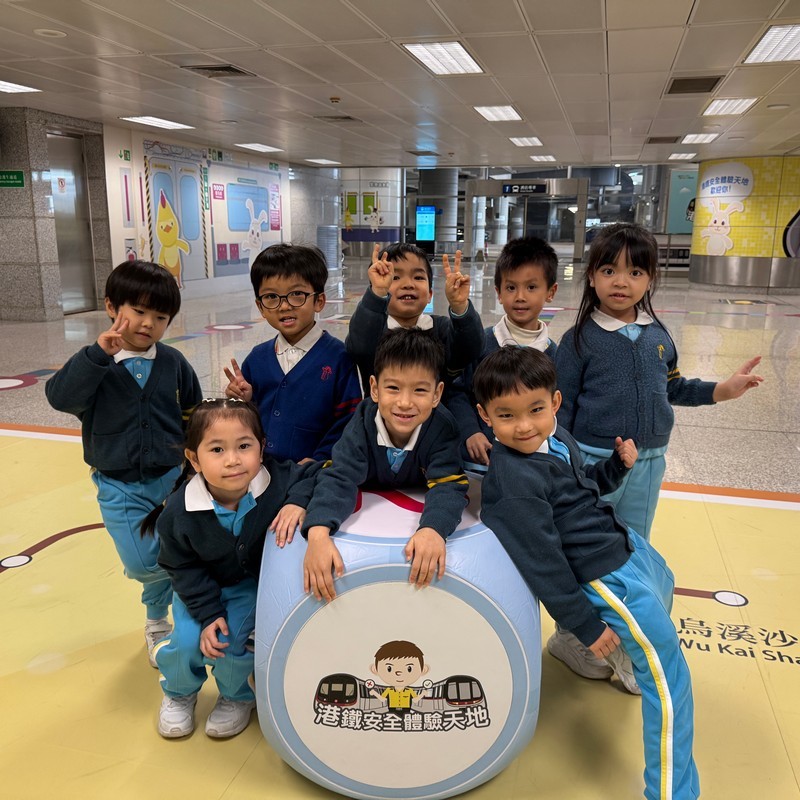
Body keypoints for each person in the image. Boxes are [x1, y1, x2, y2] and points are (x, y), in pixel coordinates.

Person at [474, 346, 699, 800]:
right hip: (604, 576)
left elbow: (580, 486)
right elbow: (544, 562)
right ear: (485, 416)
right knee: (668, 680)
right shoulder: (514, 482)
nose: (524, 426)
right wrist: (585, 624)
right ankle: (673, 792)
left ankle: (610, 652)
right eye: (506, 415)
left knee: (665, 580)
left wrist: (615, 468)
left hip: (621, 545)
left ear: (555, 403)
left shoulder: (557, 437)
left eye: (535, 410)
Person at [555, 222, 763, 542]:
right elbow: (560, 407)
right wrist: (563, 461)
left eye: (635, 272)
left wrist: (721, 391)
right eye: (609, 271)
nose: (621, 281)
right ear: (592, 277)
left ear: (650, 279)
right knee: (589, 536)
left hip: (649, 461)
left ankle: (638, 575)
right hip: (595, 460)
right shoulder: (578, 340)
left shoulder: (658, 335)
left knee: (637, 538)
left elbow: (673, 387)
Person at [45, 260, 202, 667]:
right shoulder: (95, 365)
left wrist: (195, 459)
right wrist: (97, 355)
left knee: (172, 550)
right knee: (145, 561)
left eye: (161, 317)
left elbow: (192, 411)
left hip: (172, 480)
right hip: (119, 484)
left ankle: (158, 621)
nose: (148, 323)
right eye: (139, 311)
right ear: (112, 307)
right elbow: (59, 397)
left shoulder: (173, 363)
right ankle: (189, 588)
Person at [142, 399, 320, 739]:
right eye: (217, 449)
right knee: (186, 641)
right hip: (198, 588)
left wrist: (297, 502)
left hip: (248, 587)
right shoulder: (179, 511)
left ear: (261, 448)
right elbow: (180, 565)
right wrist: (208, 612)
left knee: (233, 641)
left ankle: (237, 696)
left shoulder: (275, 480)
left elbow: (315, 473)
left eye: (244, 446)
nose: (233, 459)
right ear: (194, 459)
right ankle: (179, 693)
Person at [302, 328, 469, 602]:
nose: (405, 402)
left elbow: (449, 485)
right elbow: (340, 476)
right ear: (374, 388)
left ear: (437, 393)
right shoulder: (363, 421)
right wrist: (318, 532)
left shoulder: (443, 427)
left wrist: (433, 529)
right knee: (309, 475)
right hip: (364, 501)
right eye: (393, 388)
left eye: (420, 390)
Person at [224, 242, 362, 463]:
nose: (284, 306)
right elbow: (244, 421)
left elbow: (348, 420)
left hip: (316, 472)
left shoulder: (339, 358)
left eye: (297, 294)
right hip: (260, 469)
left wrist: (321, 459)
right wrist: (244, 401)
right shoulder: (257, 359)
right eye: (271, 297)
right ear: (260, 307)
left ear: (319, 301)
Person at [446, 236, 559, 469]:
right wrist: (471, 431)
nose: (520, 297)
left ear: (551, 291)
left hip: (534, 461)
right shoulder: (482, 343)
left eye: (531, 287)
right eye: (511, 287)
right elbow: (458, 392)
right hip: (482, 458)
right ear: (498, 292)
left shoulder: (554, 354)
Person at [345, 242, 485, 394]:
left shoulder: (441, 329)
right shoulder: (374, 332)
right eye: (395, 277)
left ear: (430, 294)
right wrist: (376, 294)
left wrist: (460, 307)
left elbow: (471, 349)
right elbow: (359, 345)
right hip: (381, 409)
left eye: (418, 277)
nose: (408, 284)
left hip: (436, 408)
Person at [368, 640, 430, 714]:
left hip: (406, 709)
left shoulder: (409, 690)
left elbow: (415, 700)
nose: (399, 673)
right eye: (389, 669)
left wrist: (422, 694)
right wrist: (374, 693)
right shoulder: (389, 690)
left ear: (423, 670)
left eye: (409, 669)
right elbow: (382, 699)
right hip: (392, 709)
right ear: (375, 669)